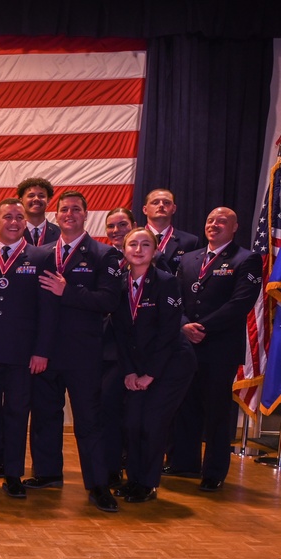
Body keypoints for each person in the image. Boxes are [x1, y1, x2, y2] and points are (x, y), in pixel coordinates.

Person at [30, 191, 123, 512]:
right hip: (44, 352)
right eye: (64, 209)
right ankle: (47, 473)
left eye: (76, 209)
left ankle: (98, 484)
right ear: (56, 216)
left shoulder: (104, 255)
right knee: (44, 415)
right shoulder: (40, 254)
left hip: (83, 354)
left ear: (86, 215)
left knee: (88, 421)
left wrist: (69, 292)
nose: (70, 214)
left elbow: (109, 301)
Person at [0, 199, 58, 498]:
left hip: (23, 354)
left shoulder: (41, 256)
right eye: (7, 217)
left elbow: (47, 309)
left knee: (18, 413)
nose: (14, 222)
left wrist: (42, 350)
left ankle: (15, 475)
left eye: (19, 217)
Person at [169, 207, 261, 491]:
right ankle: (184, 462)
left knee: (217, 413)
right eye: (210, 220)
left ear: (234, 227)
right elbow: (175, 298)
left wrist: (202, 328)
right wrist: (183, 324)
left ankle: (214, 471)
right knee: (185, 405)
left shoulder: (246, 259)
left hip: (219, 348)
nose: (214, 224)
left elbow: (239, 304)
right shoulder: (189, 259)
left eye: (222, 221)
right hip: (186, 344)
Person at [112, 228, 196, 502]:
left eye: (145, 244)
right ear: (124, 250)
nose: (138, 249)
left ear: (156, 250)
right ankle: (134, 479)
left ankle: (147, 483)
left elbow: (169, 333)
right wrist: (129, 371)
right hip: (138, 366)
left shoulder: (166, 282)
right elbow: (120, 333)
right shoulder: (120, 284)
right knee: (132, 422)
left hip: (171, 365)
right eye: (132, 244)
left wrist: (150, 374)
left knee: (152, 423)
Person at [100, 207, 136, 486]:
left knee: (135, 417)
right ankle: (112, 468)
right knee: (109, 412)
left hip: (138, 353)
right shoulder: (103, 259)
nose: (116, 231)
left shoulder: (150, 264)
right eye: (111, 226)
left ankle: (136, 470)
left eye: (122, 224)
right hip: (107, 350)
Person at [141, 188, 201, 275]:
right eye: (155, 202)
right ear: (145, 210)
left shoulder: (190, 242)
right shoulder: (131, 240)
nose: (161, 205)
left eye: (166, 203)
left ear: (174, 209)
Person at [17, 177, 59, 246]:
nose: (36, 199)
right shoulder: (12, 232)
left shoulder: (60, 233)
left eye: (41, 196)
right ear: (21, 200)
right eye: (31, 196)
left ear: (48, 200)